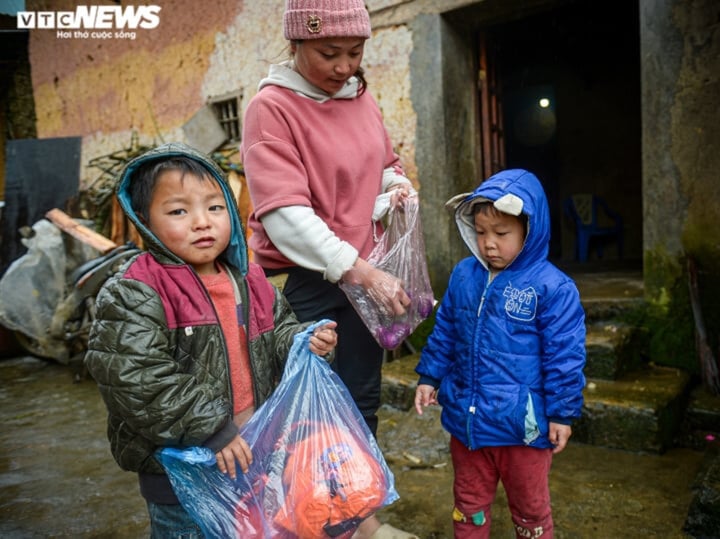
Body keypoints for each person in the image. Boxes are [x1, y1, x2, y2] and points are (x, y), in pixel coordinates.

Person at [84, 142, 337, 538]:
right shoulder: (135, 291)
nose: (202, 222)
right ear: (144, 220)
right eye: (179, 211)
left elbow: (277, 334)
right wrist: (211, 429)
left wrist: (305, 343)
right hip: (181, 469)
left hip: (252, 453)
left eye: (215, 208)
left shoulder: (251, 281)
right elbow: (137, 378)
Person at [240, 1, 419, 538]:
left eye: (356, 52)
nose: (345, 66)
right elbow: (286, 215)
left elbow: (384, 161)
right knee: (306, 413)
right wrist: (361, 272)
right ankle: (311, 522)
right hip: (307, 283)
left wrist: (395, 187)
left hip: (361, 273)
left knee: (360, 401)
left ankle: (360, 521)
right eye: (329, 53)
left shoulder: (359, 97)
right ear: (295, 44)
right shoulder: (272, 108)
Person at [414, 168, 586, 538]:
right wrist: (430, 377)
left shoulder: (552, 288)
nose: (488, 243)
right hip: (468, 425)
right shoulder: (464, 275)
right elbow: (445, 330)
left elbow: (564, 358)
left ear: (530, 229)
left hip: (521, 429)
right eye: (480, 232)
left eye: (501, 233)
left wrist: (561, 413)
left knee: (530, 511)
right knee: (468, 507)